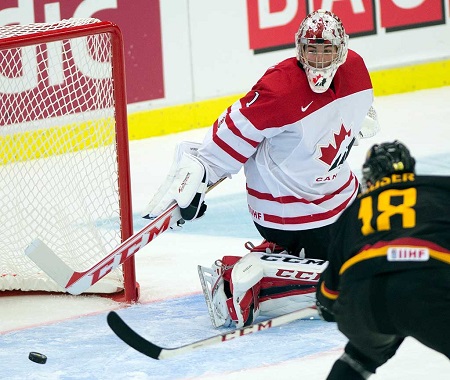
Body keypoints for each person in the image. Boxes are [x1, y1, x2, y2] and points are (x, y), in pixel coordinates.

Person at [144, 9, 379, 328]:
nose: (320, 58)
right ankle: (240, 283)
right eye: (312, 49)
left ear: (343, 49)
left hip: (341, 196)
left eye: (328, 50)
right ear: (300, 48)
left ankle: (278, 257)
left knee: (381, 255)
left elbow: (359, 115)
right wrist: (197, 177)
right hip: (290, 213)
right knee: (355, 283)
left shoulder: (357, 70)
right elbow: (228, 137)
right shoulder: (280, 88)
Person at [316, 140, 450, 379]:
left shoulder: (351, 213)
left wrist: (327, 306)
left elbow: (328, 298)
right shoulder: (439, 189)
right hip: (426, 288)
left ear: (369, 177)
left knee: (359, 357)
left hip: (361, 301)